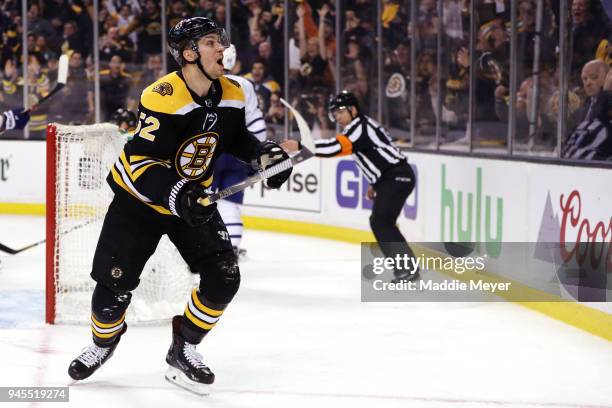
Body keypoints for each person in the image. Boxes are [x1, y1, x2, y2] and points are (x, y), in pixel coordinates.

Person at [67, 17, 292, 395]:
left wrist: (263, 157)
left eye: (220, 41)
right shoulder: (162, 95)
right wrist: (178, 194)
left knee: (224, 277)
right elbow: (141, 164)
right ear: (189, 54)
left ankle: (184, 347)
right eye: (210, 43)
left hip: (192, 201)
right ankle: (103, 343)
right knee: (112, 291)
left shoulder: (233, 92)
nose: (221, 48)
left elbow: (235, 137)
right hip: (140, 201)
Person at [281, 91, 418, 283]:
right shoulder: (360, 127)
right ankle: (407, 269)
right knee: (382, 221)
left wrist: (301, 145)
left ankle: (407, 270)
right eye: (334, 114)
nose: (337, 117)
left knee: (381, 221)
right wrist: (375, 182)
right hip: (392, 177)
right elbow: (376, 152)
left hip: (396, 176)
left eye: (340, 112)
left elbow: (334, 148)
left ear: (353, 110)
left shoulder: (359, 126)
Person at [211, 44, 267, 259]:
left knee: (205, 201)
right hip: (239, 154)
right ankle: (231, 248)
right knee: (230, 202)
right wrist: (259, 155)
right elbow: (256, 120)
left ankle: (206, 247)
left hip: (212, 154)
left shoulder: (205, 82)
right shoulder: (245, 84)